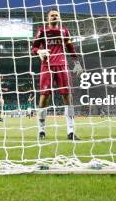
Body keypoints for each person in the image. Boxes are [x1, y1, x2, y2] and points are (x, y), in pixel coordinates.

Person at [31, 8, 83, 140]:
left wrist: (76, 62)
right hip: (47, 66)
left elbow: (70, 47)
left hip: (62, 66)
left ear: (59, 18)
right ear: (48, 18)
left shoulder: (64, 31)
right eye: (52, 15)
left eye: (56, 15)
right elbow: (33, 48)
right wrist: (39, 52)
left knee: (68, 97)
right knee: (44, 97)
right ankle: (41, 130)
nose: (54, 17)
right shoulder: (41, 31)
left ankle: (70, 131)